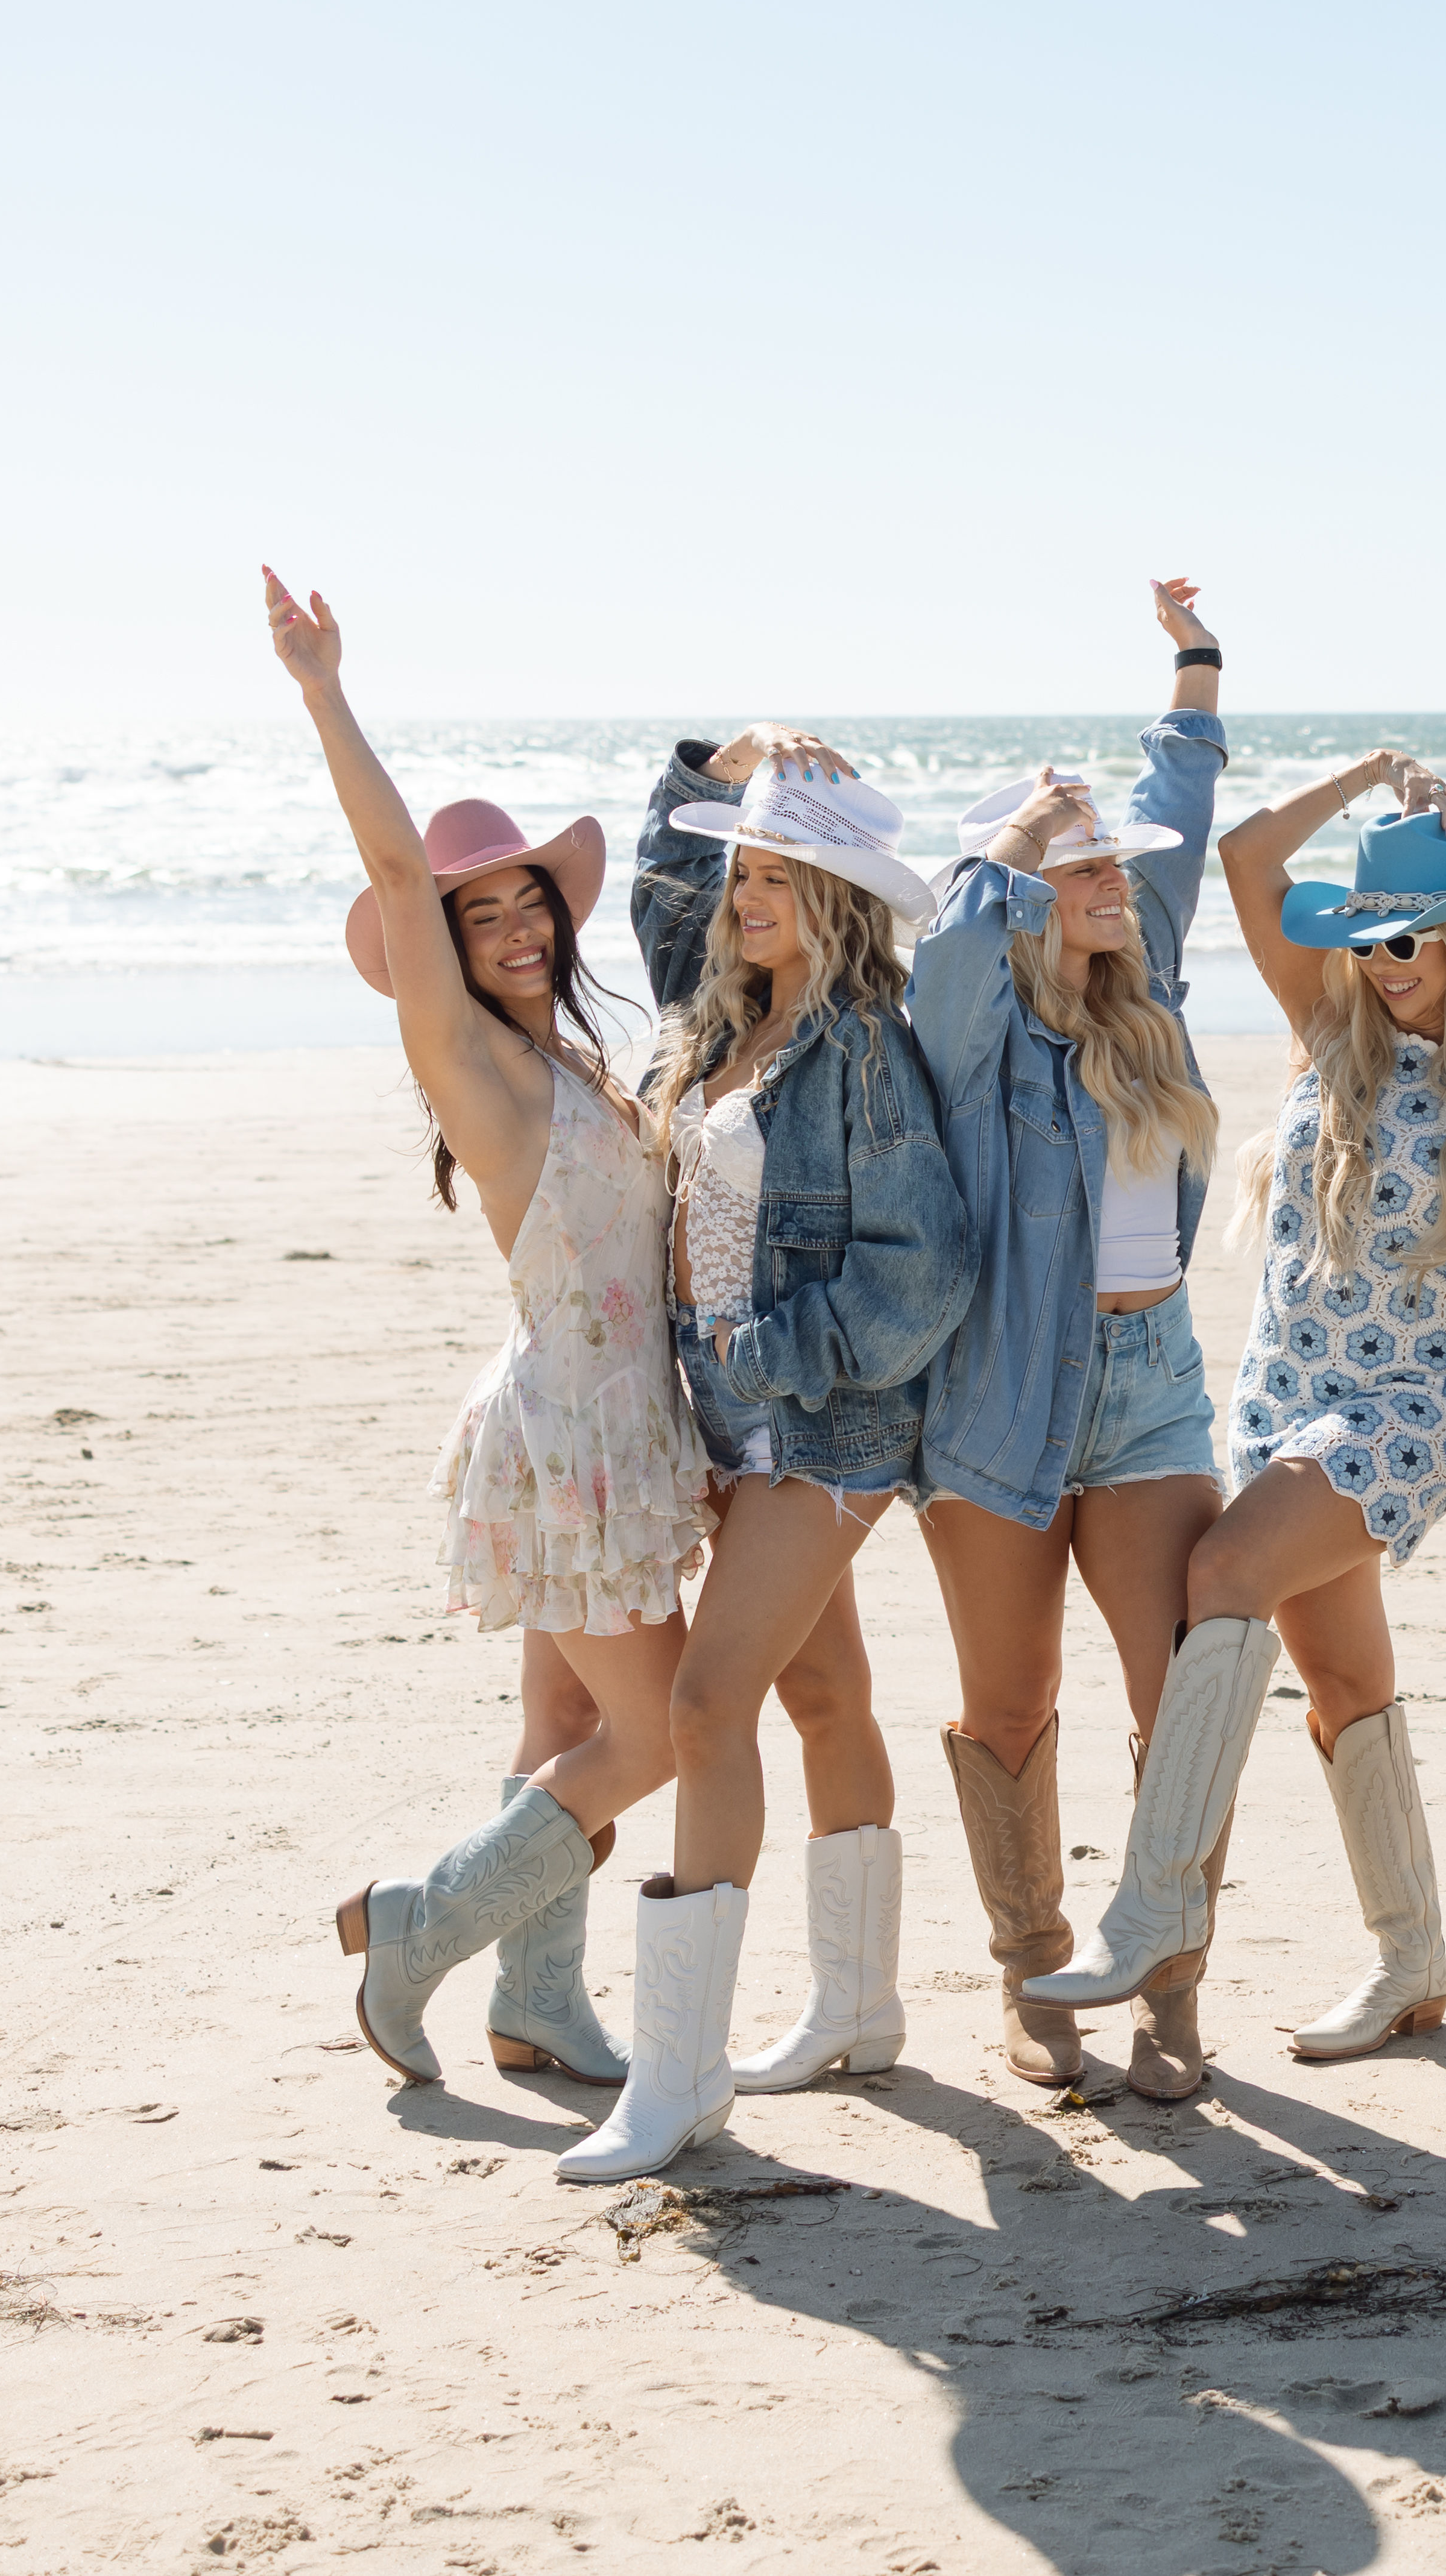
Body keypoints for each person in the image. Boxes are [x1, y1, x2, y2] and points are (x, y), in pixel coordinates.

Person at [1020, 746, 1446, 2068]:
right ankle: (1411, 1962)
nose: (1390, 962)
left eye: (1420, 941)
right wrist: (1370, 770)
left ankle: (1153, 1906)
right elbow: (1248, 862)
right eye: (1375, 936)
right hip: (1280, 1399)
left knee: (1220, 1573)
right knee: (1342, 1682)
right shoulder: (1328, 1029)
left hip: (1412, 1406)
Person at [265, 570, 715, 2096]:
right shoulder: (472, 1064)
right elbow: (394, 876)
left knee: (567, 1728)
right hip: (564, 1439)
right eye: (479, 910)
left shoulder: (576, 1057)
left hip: (615, 1429)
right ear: (440, 941)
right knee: (659, 1739)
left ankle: (537, 2003)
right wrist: (326, 691)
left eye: (528, 897)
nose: (514, 923)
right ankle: (417, 1923)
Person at [563, 725, 973, 2184]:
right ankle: (859, 2008)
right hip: (732, 1425)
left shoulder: (857, 1046)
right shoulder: (720, 1018)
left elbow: (920, 1277)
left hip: (821, 1427)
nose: (748, 894)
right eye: (747, 867)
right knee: (820, 1690)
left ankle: (677, 2075)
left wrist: (760, 1358)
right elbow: (660, 879)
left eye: (785, 873)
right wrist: (716, 762)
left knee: (702, 1699)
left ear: (840, 894)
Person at [909, 582, 1233, 2100]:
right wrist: (1026, 838)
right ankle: (1031, 1971)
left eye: (1113, 863)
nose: (1117, 878)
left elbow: (1186, 793)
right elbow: (957, 940)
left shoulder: (1146, 986)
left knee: (1181, 1685)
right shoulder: (977, 1031)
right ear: (1033, 888)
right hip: (995, 1393)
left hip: (1152, 1383)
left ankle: (1170, 1978)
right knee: (1008, 1697)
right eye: (1089, 865)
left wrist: (1192, 668)